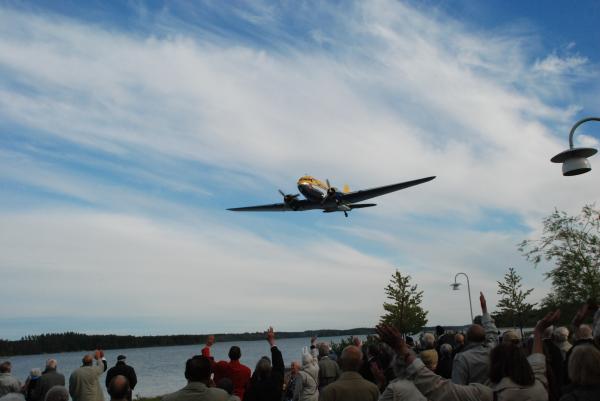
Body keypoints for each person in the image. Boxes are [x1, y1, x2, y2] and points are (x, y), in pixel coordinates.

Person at [376, 308, 560, 401]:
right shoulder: (539, 386)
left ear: (496, 366)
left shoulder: (486, 395)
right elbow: (537, 359)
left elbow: (438, 388)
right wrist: (538, 332)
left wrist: (401, 348)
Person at [451, 292, 498, 385]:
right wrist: (484, 309)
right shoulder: (492, 350)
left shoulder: (461, 358)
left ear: (467, 338)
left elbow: (458, 386)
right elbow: (491, 333)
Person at [162, 355, 228, 401]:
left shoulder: (168, 399)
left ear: (186, 375)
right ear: (209, 376)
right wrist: (215, 389)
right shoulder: (222, 396)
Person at [244, 327, 285, 401]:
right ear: (270, 370)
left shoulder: (253, 390)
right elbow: (279, 365)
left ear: (257, 372)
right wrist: (272, 342)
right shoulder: (276, 383)